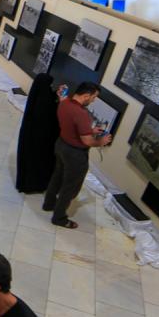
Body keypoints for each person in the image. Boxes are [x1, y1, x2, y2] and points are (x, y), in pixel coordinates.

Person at [42, 81, 112, 229]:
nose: (93, 101)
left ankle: (48, 204)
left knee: (57, 176)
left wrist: (90, 130)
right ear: (86, 96)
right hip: (75, 154)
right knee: (70, 187)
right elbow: (87, 141)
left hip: (61, 145)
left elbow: (73, 126)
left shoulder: (64, 102)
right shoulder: (82, 114)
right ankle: (59, 217)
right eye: (93, 97)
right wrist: (102, 141)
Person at [15, 75, 67, 193]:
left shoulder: (38, 97)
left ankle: (27, 183)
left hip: (32, 137)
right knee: (39, 163)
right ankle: (37, 184)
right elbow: (50, 114)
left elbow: (48, 103)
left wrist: (56, 95)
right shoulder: (45, 101)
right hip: (42, 140)